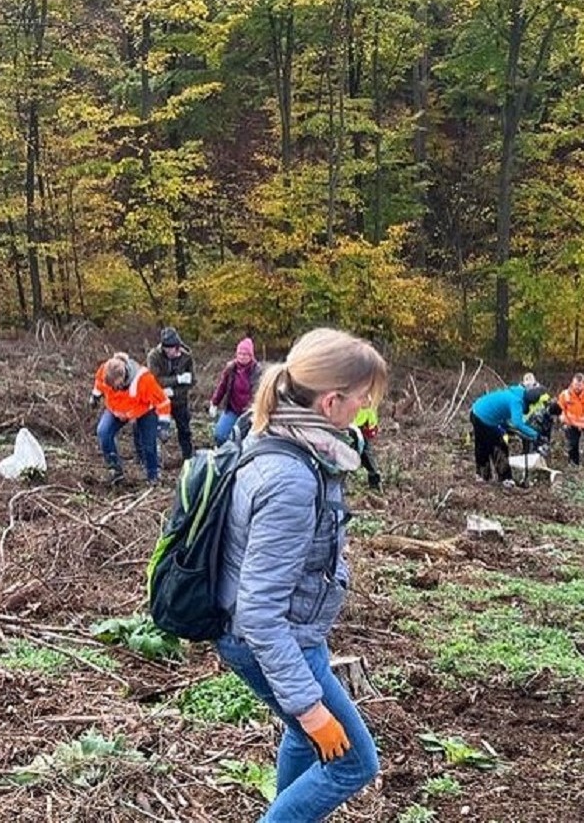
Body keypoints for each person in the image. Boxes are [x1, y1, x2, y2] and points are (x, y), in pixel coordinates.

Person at [214, 328, 386, 821]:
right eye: (361, 399)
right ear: (331, 402)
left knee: (301, 736)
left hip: (297, 631)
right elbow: (260, 612)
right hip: (269, 637)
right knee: (353, 762)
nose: (364, 410)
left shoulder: (289, 440)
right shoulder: (290, 477)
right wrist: (311, 708)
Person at [89, 352, 172, 485]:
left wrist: (164, 425)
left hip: (144, 410)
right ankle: (115, 470)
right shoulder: (105, 370)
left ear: (123, 377)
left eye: (115, 386)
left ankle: (153, 475)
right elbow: (99, 383)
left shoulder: (144, 379)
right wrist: (95, 396)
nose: (112, 389)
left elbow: (162, 401)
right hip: (115, 410)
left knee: (148, 444)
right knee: (103, 432)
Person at [470, 385, 543, 486]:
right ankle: (490, 477)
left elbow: (502, 410)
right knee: (493, 446)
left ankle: (493, 476)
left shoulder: (518, 392)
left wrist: (506, 426)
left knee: (490, 445)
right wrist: (535, 434)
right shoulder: (516, 401)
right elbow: (517, 423)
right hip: (482, 417)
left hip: (481, 411)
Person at [146, 327, 196, 461]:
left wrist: (174, 391)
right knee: (154, 430)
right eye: (166, 348)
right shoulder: (154, 356)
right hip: (159, 400)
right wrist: (177, 380)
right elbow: (154, 379)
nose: (169, 352)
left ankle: (188, 458)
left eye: (172, 348)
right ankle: (152, 459)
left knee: (184, 430)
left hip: (180, 400)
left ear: (177, 346)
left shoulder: (186, 357)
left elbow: (191, 381)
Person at [210, 337, 261, 445]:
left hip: (249, 414)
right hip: (232, 409)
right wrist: (214, 403)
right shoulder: (231, 368)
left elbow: (259, 394)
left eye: (245, 354)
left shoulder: (257, 371)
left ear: (251, 356)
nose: (242, 357)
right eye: (239, 354)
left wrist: (255, 413)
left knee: (245, 441)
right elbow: (222, 387)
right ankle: (224, 456)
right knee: (220, 436)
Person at [352, 405, 382, 489]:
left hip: (360, 426)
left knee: (367, 455)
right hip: (350, 425)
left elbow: (371, 411)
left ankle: (375, 482)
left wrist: (372, 426)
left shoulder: (367, 398)